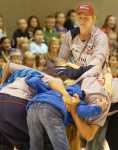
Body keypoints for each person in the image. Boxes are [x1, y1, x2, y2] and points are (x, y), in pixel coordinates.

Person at [58, 3, 110, 150]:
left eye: (86, 18)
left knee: (93, 123)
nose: (82, 21)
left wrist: (74, 71)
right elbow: (61, 61)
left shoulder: (101, 37)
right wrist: (67, 71)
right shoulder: (70, 35)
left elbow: (96, 65)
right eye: (79, 17)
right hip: (76, 81)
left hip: (98, 80)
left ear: (93, 18)